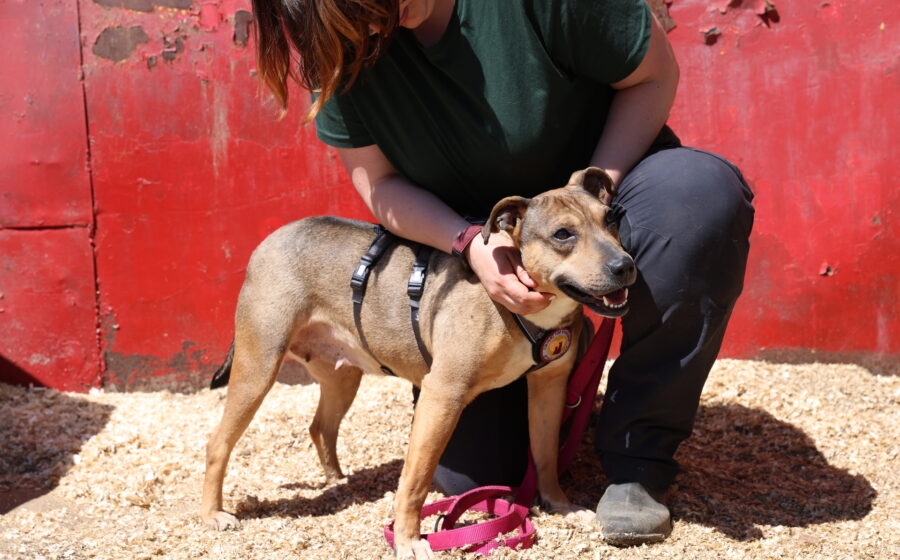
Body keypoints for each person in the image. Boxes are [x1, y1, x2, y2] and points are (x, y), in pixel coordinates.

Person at [251, 0, 754, 545]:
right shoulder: (345, 48)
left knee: (696, 198)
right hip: (470, 249)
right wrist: (468, 241)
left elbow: (654, 74)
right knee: (479, 477)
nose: (371, 29)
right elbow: (381, 183)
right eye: (351, 26)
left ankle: (640, 460)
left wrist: (588, 201)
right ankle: (554, 388)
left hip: (606, 196)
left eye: (371, 9)